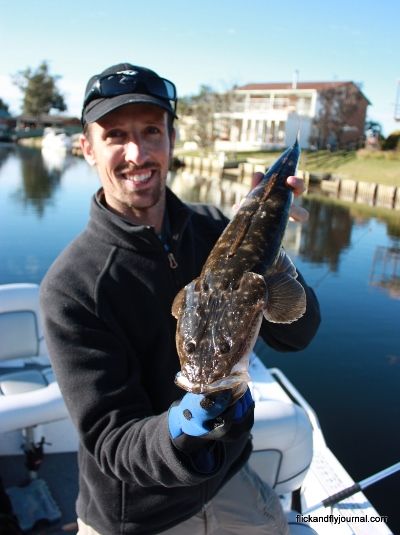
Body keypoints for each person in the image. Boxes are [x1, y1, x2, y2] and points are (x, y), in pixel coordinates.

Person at [40, 63, 321, 535]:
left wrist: (273, 257)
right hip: (137, 515)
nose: (137, 153)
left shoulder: (216, 228)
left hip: (227, 479)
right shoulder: (72, 286)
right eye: (115, 136)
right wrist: (181, 429)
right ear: (86, 147)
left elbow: (299, 335)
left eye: (152, 130)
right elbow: (111, 440)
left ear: (172, 137)